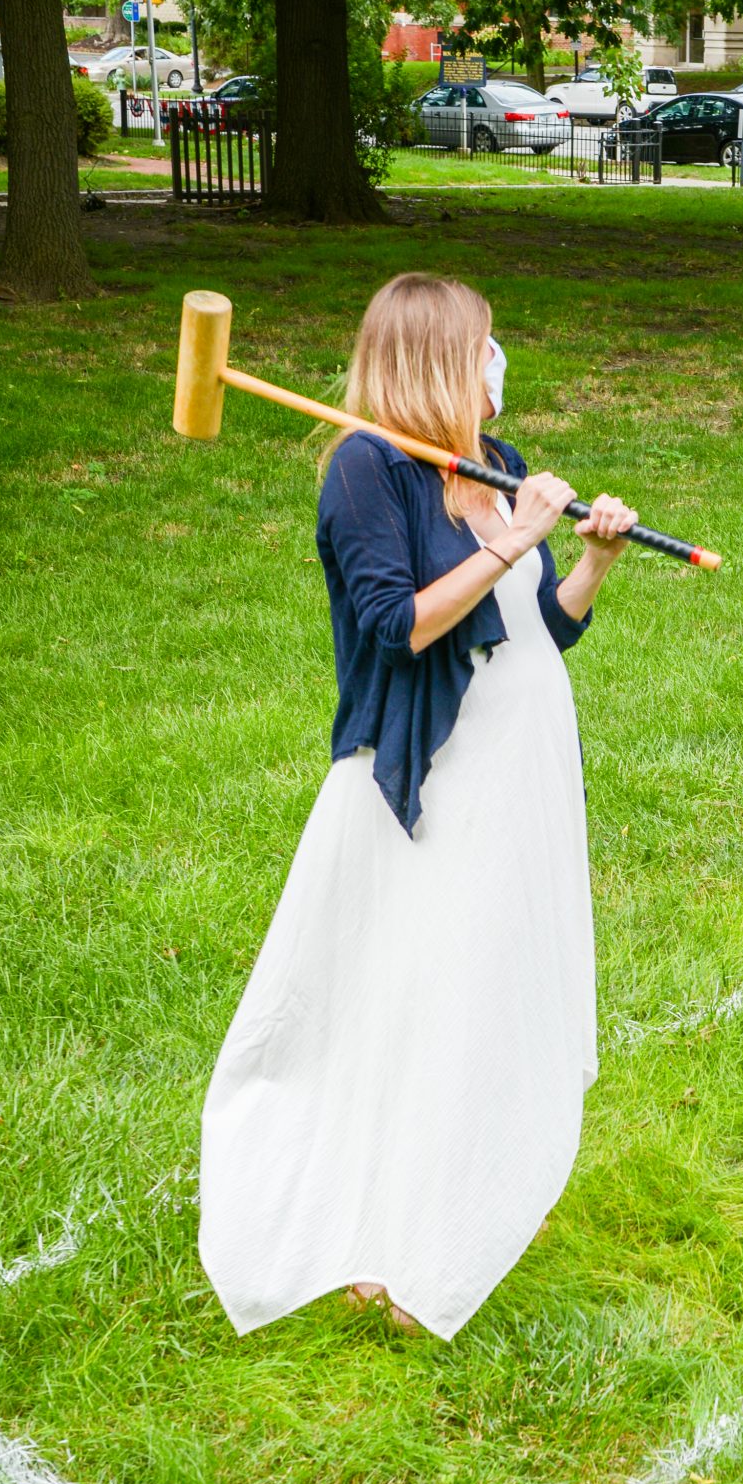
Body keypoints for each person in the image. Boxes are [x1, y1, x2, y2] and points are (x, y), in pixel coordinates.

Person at [199, 272, 637, 1338]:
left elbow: (538, 628)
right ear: (446, 357)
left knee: (489, 979)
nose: (501, 358)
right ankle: (376, 1233)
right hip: (432, 775)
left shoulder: (495, 466)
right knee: (412, 988)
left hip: (523, 760)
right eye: (489, 341)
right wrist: (511, 540)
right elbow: (399, 626)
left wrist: (585, 559)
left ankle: (467, 1190)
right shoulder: (364, 469)